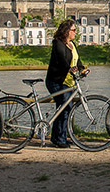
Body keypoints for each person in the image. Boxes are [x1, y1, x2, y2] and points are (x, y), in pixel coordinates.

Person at [45, 19, 85, 148]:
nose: (75, 32)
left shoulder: (72, 45)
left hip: (69, 81)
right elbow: (61, 60)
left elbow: (77, 60)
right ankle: (59, 139)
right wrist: (68, 68)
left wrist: (82, 68)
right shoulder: (58, 44)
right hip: (57, 81)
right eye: (73, 30)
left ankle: (60, 137)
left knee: (65, 109)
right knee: (63, 108)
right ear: (66, 31)